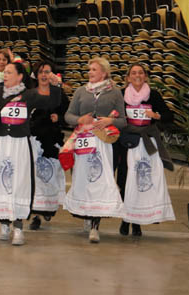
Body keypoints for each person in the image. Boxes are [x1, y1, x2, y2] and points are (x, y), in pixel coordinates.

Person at [0, 63, 61, 245]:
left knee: (19, 184)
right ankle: (3, 224)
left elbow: (52, 101)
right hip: (2, 145)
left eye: (9, 72)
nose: (5, 74)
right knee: (2, 182)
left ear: (20, 77)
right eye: (5, 72)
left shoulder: (30, 95)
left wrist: (55, 86)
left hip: (20, 147)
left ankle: (18, 228)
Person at [63, 57, 127, 243]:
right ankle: (86, 214)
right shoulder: (81, 91)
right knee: (83, 180)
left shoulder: (115, 93)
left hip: (105, 143)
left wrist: (110, 121)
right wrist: (79, 120)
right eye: (89, 69)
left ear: (104, 73)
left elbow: (123, 120)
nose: (90, 72)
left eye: (94, 70)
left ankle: (95, 225)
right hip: (83, 141)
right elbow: (68, 115)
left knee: (101, 181)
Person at [117, 63, 175, 236]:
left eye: (140, 73)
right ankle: (125, 218)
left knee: (142, 181)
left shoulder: (153, 95)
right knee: (124, 181)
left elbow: (169, 116)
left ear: (145, 76)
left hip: (147, 143)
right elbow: (114, 115)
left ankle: (137, 221)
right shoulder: (120, 95)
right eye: (133, 73)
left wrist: (156, 116)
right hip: (127, 143)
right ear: (128, 78)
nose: (137, 76)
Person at [29, 61, 70, 230]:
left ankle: (48, 208)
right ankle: (36, 214)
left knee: (50, 176)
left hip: (52, 140)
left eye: (47, 71)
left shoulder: (59, 93)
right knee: (35, 178)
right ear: (36, 75)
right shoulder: (30, 94)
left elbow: (69, 114)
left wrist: (58, 118)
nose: (44, 75)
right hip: (34, 140)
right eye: (41, 72)